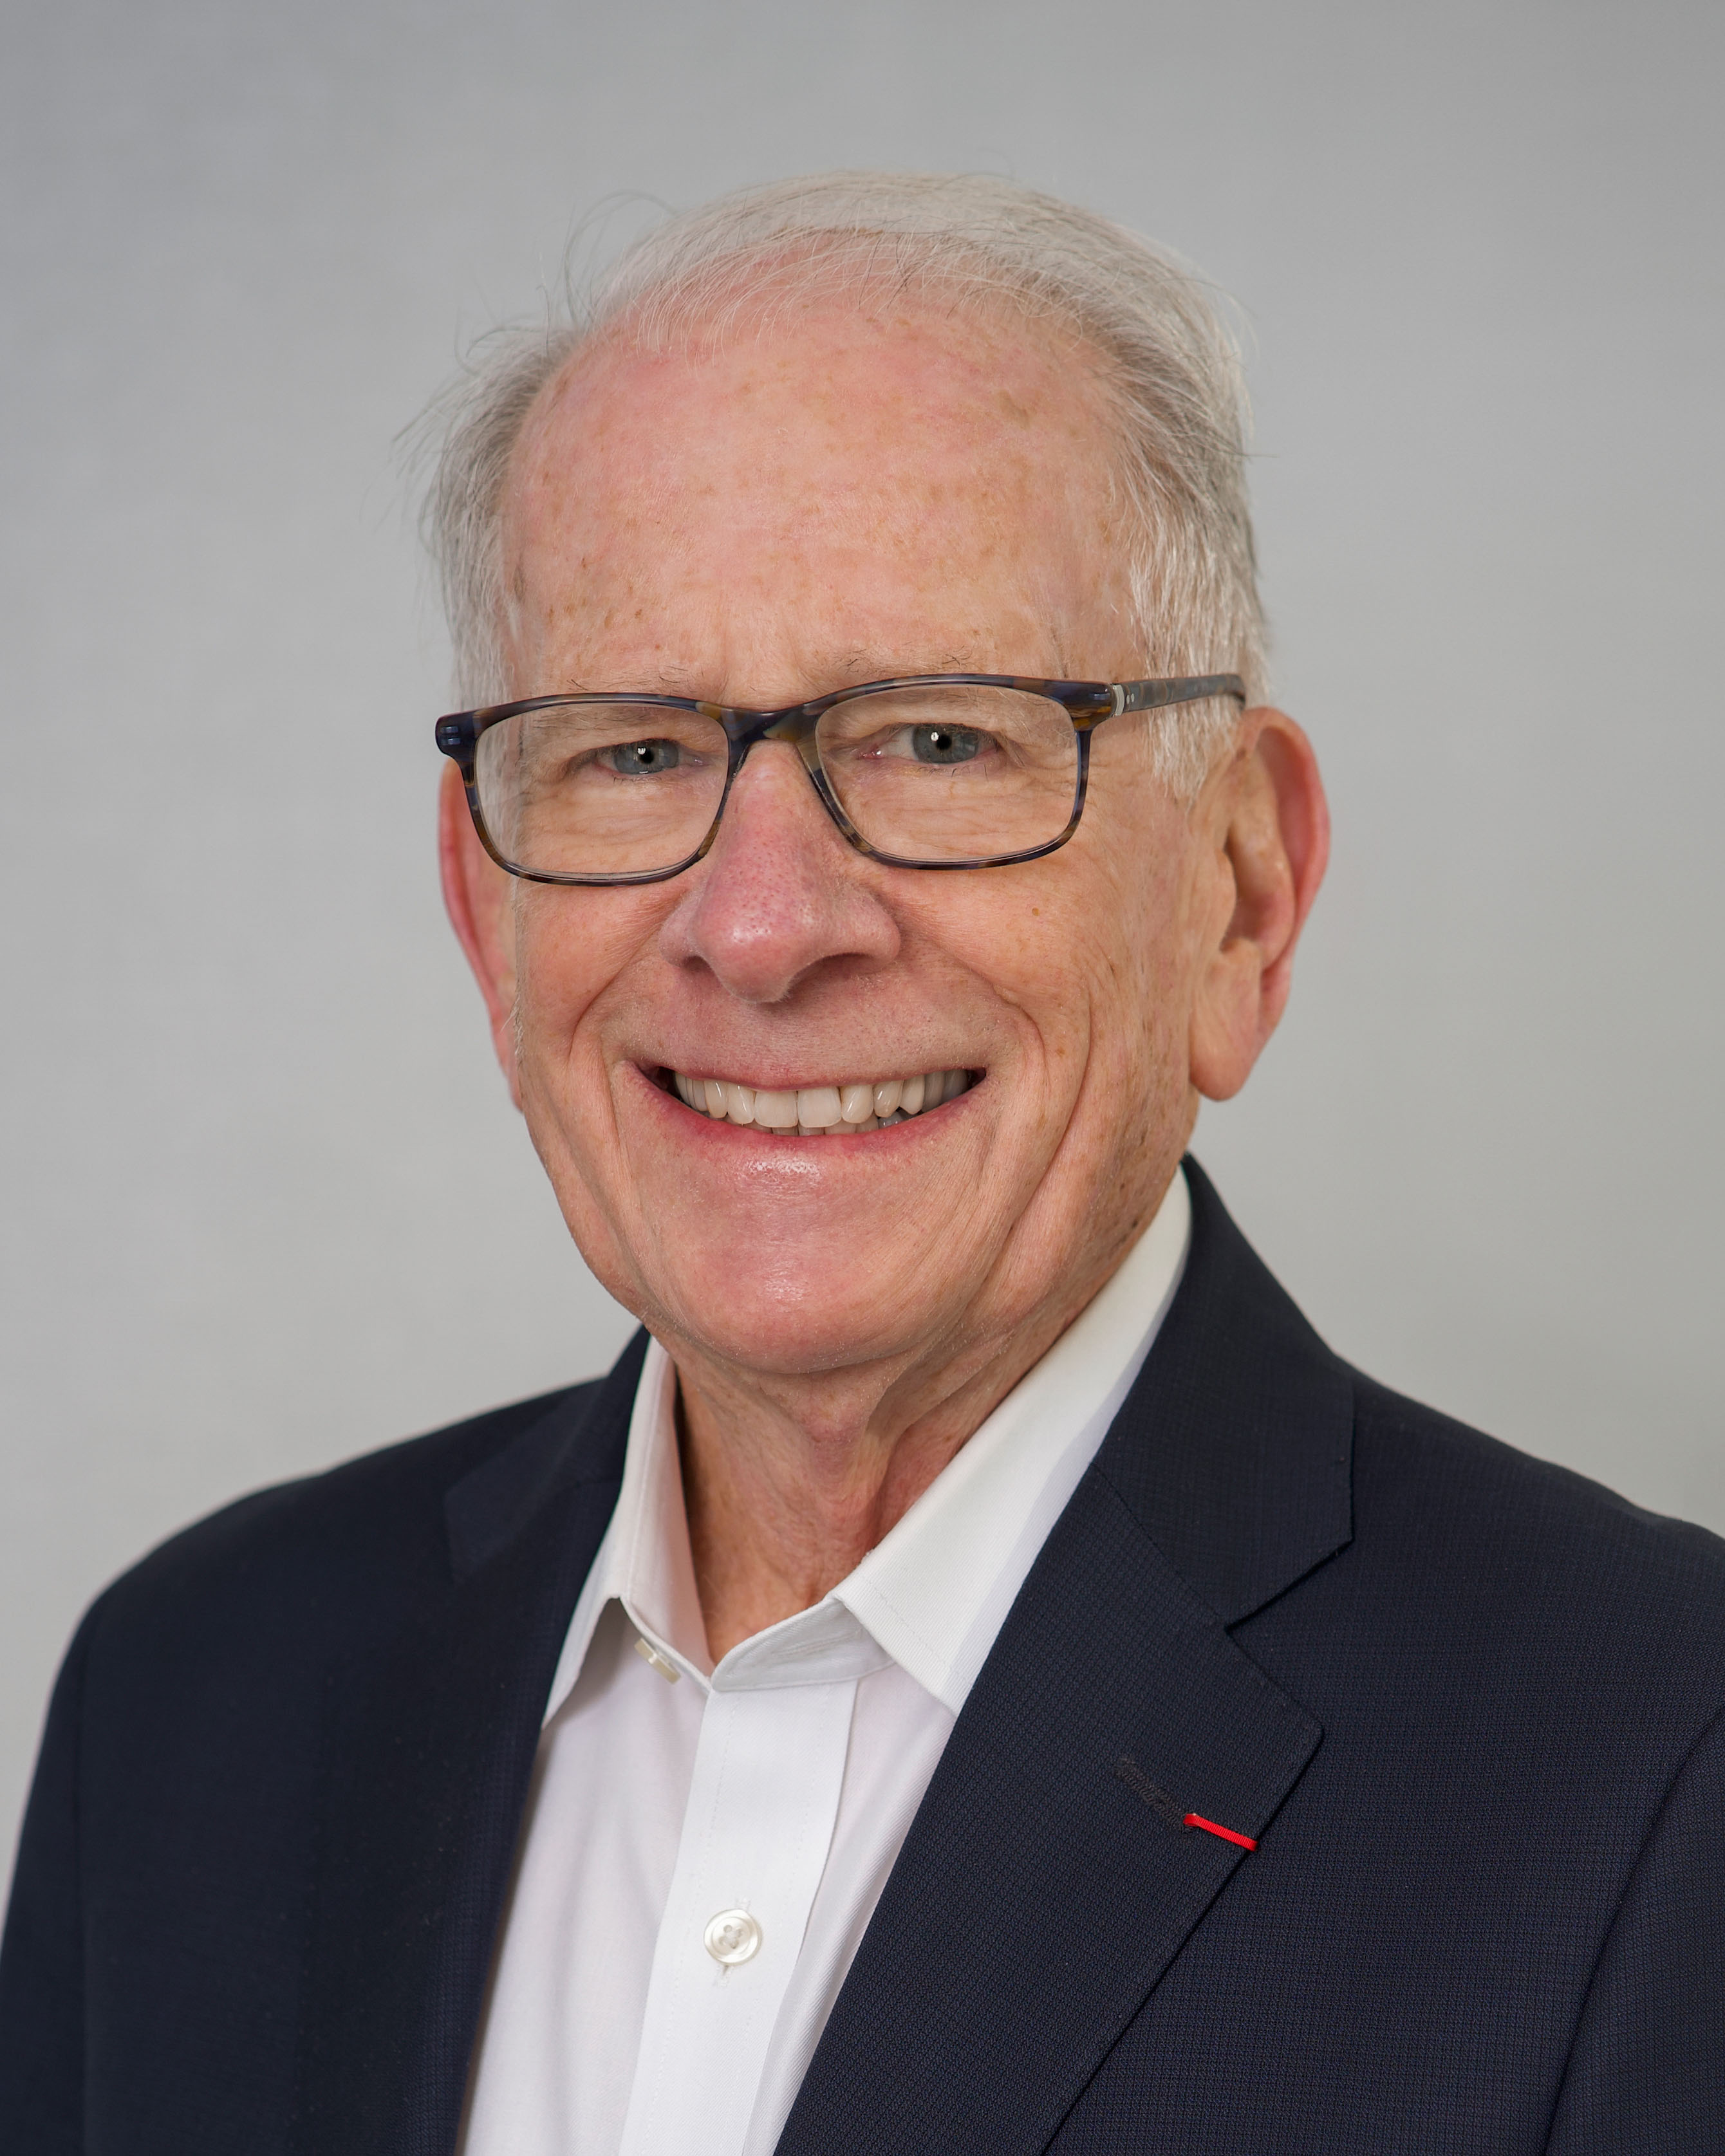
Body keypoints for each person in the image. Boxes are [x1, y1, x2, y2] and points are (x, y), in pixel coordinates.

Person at [2, 171, 1721, 2156]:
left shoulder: (1657, 1776)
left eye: (940, 741)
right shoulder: (197, 1699)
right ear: (487, 923)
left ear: (1240, 895)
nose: (762, 925)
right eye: (633, 751)